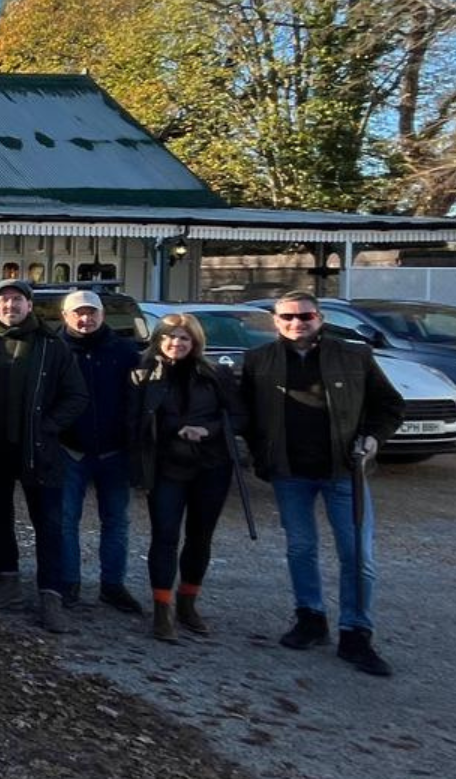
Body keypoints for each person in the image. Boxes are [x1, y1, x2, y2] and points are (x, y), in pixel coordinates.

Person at [238, 290, 403, 676]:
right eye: (288, 318)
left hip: (343, 470)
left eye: (305, 316)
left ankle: (356, 632)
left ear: (320, 318)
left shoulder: (354, 356)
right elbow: (243, 412)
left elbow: (390, 406)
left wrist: (374, 438)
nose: (297, 323)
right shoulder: (259, 360)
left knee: (357, 554)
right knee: (300, 548)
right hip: (289, 471)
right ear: (275, 322)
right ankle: (310, 617)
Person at [0, 278, 90, 633]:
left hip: (38, 449)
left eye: (17, 301)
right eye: (3, 301)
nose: (10, 307)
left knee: (48, 523)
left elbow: (76, 395)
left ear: (30, 306)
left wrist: (48, 426)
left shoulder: (51, 346)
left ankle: (51, 595)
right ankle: (8, 580)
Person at [130, 314, 244, 642]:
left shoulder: (215, 374)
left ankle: (188, 603)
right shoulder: (143, 375)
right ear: (158, 339)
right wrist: (170, 433)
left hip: (210, 466)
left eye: (183, 338)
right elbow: (134, 421)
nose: (176, 343)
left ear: (195, 342)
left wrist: (208, 430)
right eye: (169, 337)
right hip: (166, 466)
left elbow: (239, 416)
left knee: (200, 537)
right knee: (164, 536)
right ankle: (161, 609)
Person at [55, 289, 143, 614]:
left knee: (117, 520)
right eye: (78, 312)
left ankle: (113, 584)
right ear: (65, 316)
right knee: (66, 520)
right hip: (70, 449)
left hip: (114, 450)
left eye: (91, 312)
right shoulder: (56, 350)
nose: (85, 318)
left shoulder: (125, 350)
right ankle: (68, 583)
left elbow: (140, 398)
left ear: (102, 315)